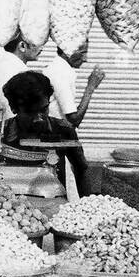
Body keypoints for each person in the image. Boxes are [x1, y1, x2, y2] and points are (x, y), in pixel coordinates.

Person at [41, 46, 104, 196]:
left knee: (79, 171)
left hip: (58, 133)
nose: (85, 58)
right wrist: (90, 87)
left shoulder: (60, 69)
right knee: (76, 174)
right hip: (58, 135)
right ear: (66, 49)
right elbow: (74, 118)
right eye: (82, 53)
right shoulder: (59, 72)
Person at [0, 70, 80, 156]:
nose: (38, 119)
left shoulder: (65, 130)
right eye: (30, 112)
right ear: (13, 108)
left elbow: (80, 168)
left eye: (43, 110)